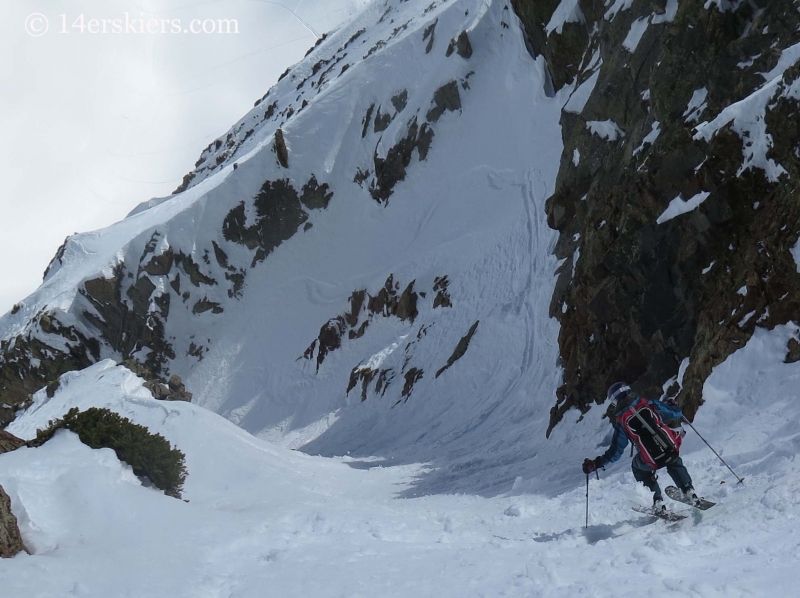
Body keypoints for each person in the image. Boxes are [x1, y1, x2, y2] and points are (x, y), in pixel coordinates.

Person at [582, 382, 701, 512]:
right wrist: (673, 406)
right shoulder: (649, 403)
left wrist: (596, 463)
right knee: (674, 461)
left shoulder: (622, 421)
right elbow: (675, 414)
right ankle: (688, 489)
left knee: (638, 468)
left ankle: (657, 501)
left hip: (651, 459)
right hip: (671, 446)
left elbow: (615, 452)